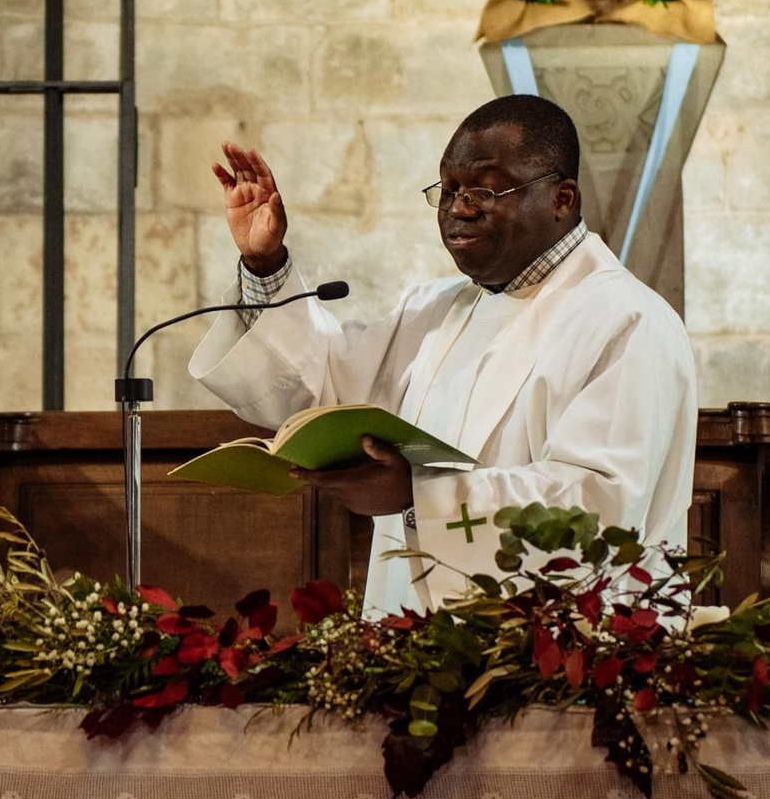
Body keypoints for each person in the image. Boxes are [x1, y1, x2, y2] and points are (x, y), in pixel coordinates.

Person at [190, 94, 697, 617]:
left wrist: (421, 494)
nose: (459, 206)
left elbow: (602, 504)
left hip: (562, 647)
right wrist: (265, 262)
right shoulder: (434, 310)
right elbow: (315, 387)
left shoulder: (627, 320)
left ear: (562, 198)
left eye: (485, 188)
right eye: (448, 189)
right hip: (418, 643)